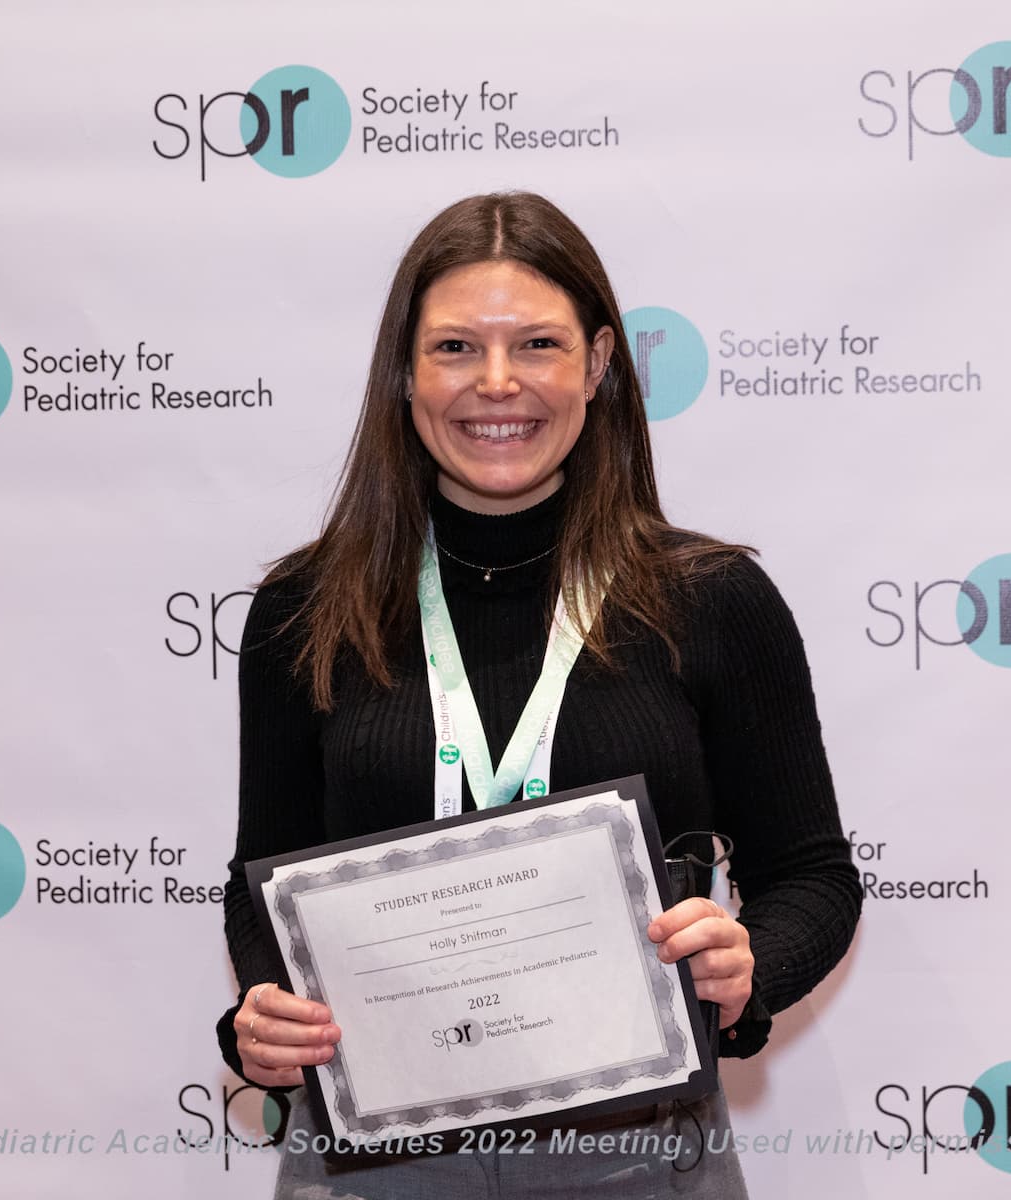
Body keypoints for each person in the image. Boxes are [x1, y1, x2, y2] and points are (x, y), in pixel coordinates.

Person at [218, 191, 860, 1197]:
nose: (499, 383)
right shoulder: (306, 609)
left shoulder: (712, 601)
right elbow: (262, 877)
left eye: (540, 345)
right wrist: (263, 1006)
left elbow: (813, 875)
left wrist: (748, 970)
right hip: (376, 1161)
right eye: (457, 349)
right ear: (404, 372)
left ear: (601, 364)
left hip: (644, 1158)